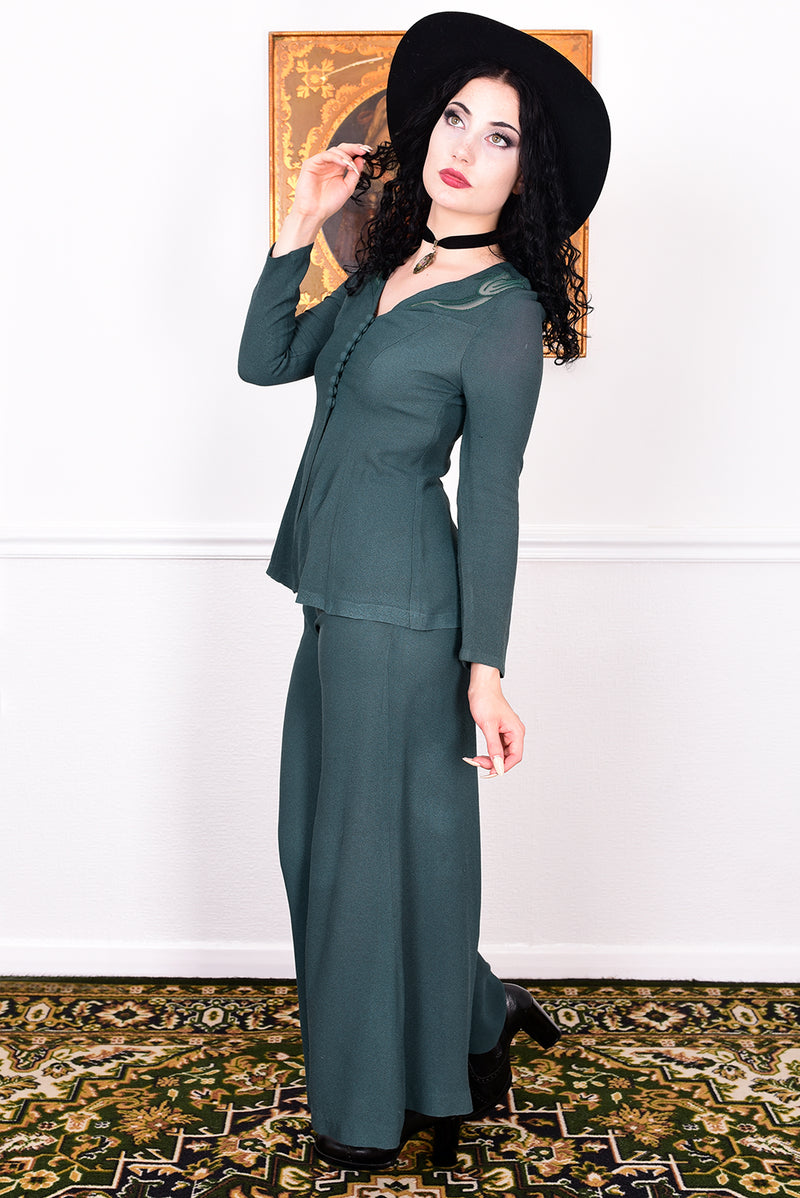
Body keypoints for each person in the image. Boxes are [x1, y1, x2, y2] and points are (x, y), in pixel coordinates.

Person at [238, 11, 610, 1173]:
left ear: (524, 172)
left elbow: (490, 494)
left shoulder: (497, 313)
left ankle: (366, 1107)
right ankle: (472, 1012)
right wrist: (300, 229)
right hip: (333, 595)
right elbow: (264, 360)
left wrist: (486, 670)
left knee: (354, 854)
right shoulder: (384, 264)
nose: (463, 146)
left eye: (497, 137)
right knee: (354, 839)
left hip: (406, 610)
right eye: (455, 118)